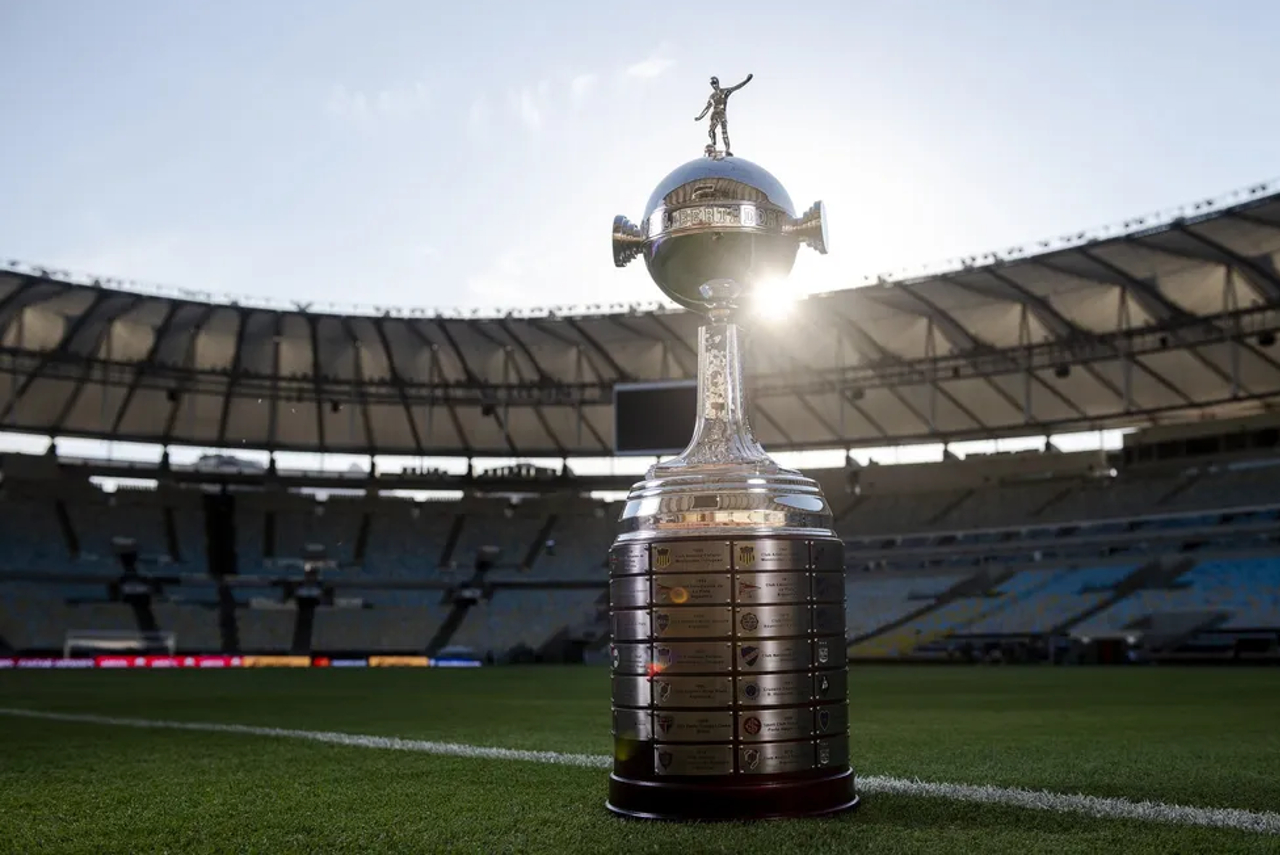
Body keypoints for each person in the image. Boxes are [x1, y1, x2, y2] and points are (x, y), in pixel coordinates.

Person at [695, 74, 753, 156]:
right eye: (712, 84)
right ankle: (713, 146)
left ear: (718, 83)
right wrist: (699, 117)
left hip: (721, 112)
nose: (714, 85)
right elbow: (707, 108)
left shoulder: (724, 92)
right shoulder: (712, 96)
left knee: (724, 131)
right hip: (714, 114)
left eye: (714, 83)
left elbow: (737, 87)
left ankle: (727, 149)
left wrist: (747, 80)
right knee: (711, 131)